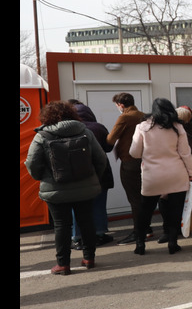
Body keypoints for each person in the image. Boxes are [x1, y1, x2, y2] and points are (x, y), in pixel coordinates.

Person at [25, 101, 108, 275]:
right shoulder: (85, 132)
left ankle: (63, 265)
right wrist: (93, 178)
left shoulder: (42, 135)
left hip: (55, 188)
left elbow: (32, 163)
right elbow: (101, 159)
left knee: (61, 226)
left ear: (46, 116)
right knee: (86, 221)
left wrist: (42, 177)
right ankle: (89, 258)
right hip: (85, 187)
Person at [128, 98, 192, 255]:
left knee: (145, 210)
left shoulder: (142, 127)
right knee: (175, 210)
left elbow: (134, 152)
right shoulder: (177, 127)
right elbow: (185, 153)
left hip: (152, 175)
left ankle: (140, 244)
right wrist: (191, 173)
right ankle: (172, 243)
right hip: (176, 173)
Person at [107, 92, 152, 244]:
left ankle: (139, 232)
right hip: (144, 160)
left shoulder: (125, 117)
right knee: (144, 195)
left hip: (129, 161)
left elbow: (110, 138)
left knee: (134, 198)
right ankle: (147, 228)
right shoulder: (144, 115)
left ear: (121, 105)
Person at [70, 102, 114, 248]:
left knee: (77, 207)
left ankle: (77, 237)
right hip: (100, 173)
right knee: (99, 205)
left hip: (76, 174)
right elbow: (108, 147)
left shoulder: (69, 129)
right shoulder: (99, 127)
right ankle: (100, 234)